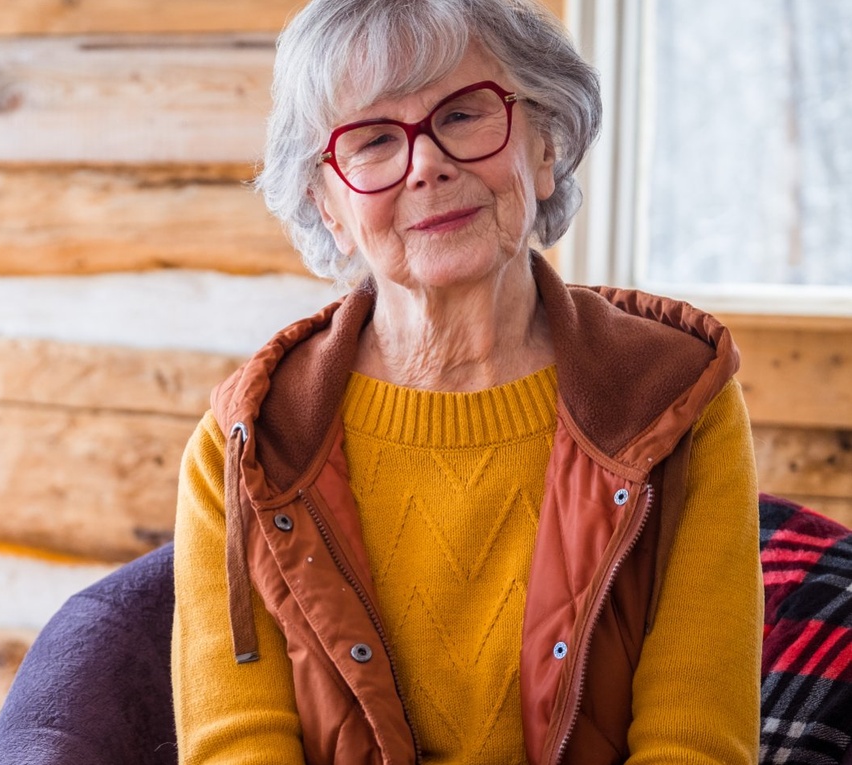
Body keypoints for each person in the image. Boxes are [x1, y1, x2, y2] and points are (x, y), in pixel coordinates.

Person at [170, 0, 763, 763]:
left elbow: (695, 745)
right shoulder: (246, 447)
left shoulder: (678, 401)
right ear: (329, 205)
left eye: (464, 115)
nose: (427, 163)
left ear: (544, 148)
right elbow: (237, 748)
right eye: (374, 139)